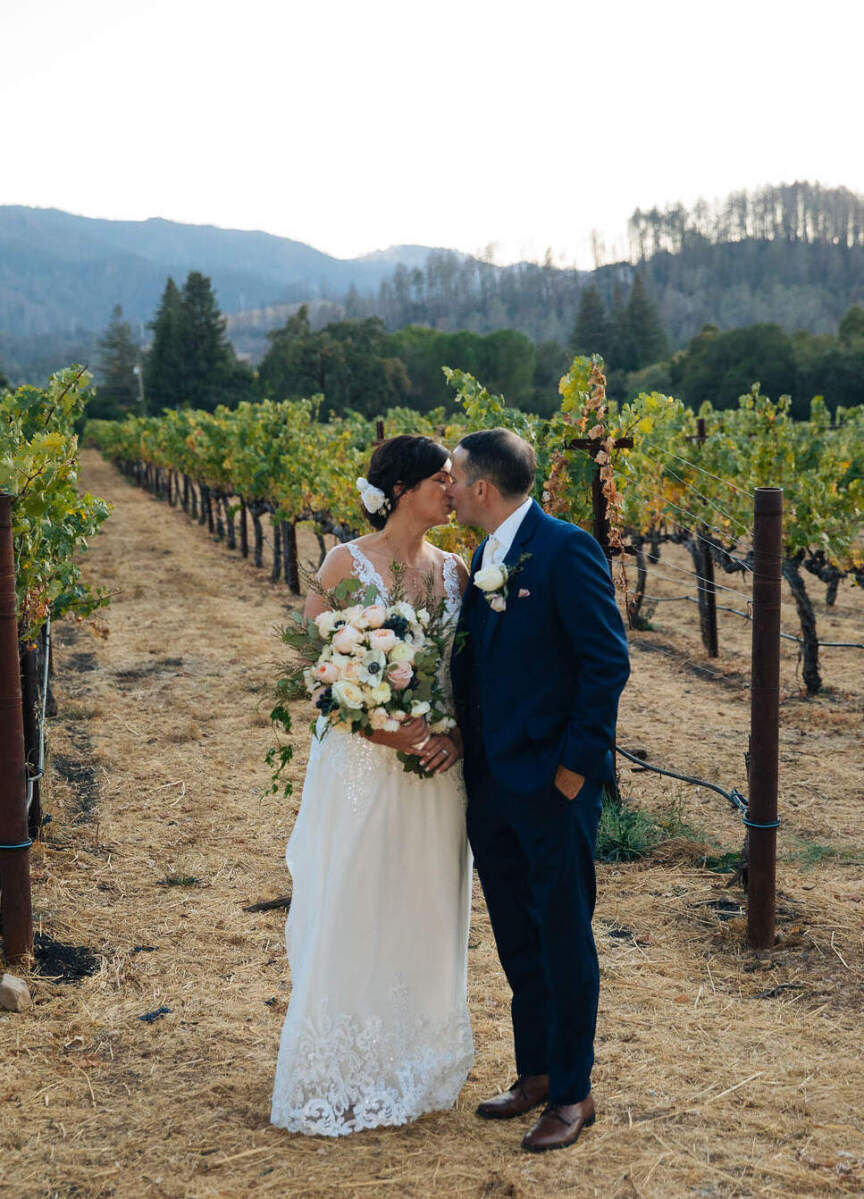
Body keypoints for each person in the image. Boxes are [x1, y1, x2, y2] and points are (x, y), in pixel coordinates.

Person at [270, 435, 473, 1137]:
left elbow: (465, 676)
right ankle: (343, 1068)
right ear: (408, 487)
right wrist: (384, 728)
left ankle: (414, 1059)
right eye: (443, 479)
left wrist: (451, 736)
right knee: (354, 901)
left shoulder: (456, 572)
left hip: (435, 777)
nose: (454, 489)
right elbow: (316, 669)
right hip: (361, 766)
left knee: (424, 905)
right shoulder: (344, 562)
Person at [444, 427, 630, 1153]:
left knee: (562, 931)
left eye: (455, 477)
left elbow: (605, 662)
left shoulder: (565, 548)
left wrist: (573, 771)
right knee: (518, 933)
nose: (449, 487)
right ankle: (536, 1072)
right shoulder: (482, 555)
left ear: (484, 487)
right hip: (491, 782)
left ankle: (575, 1091)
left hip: (552, 784)